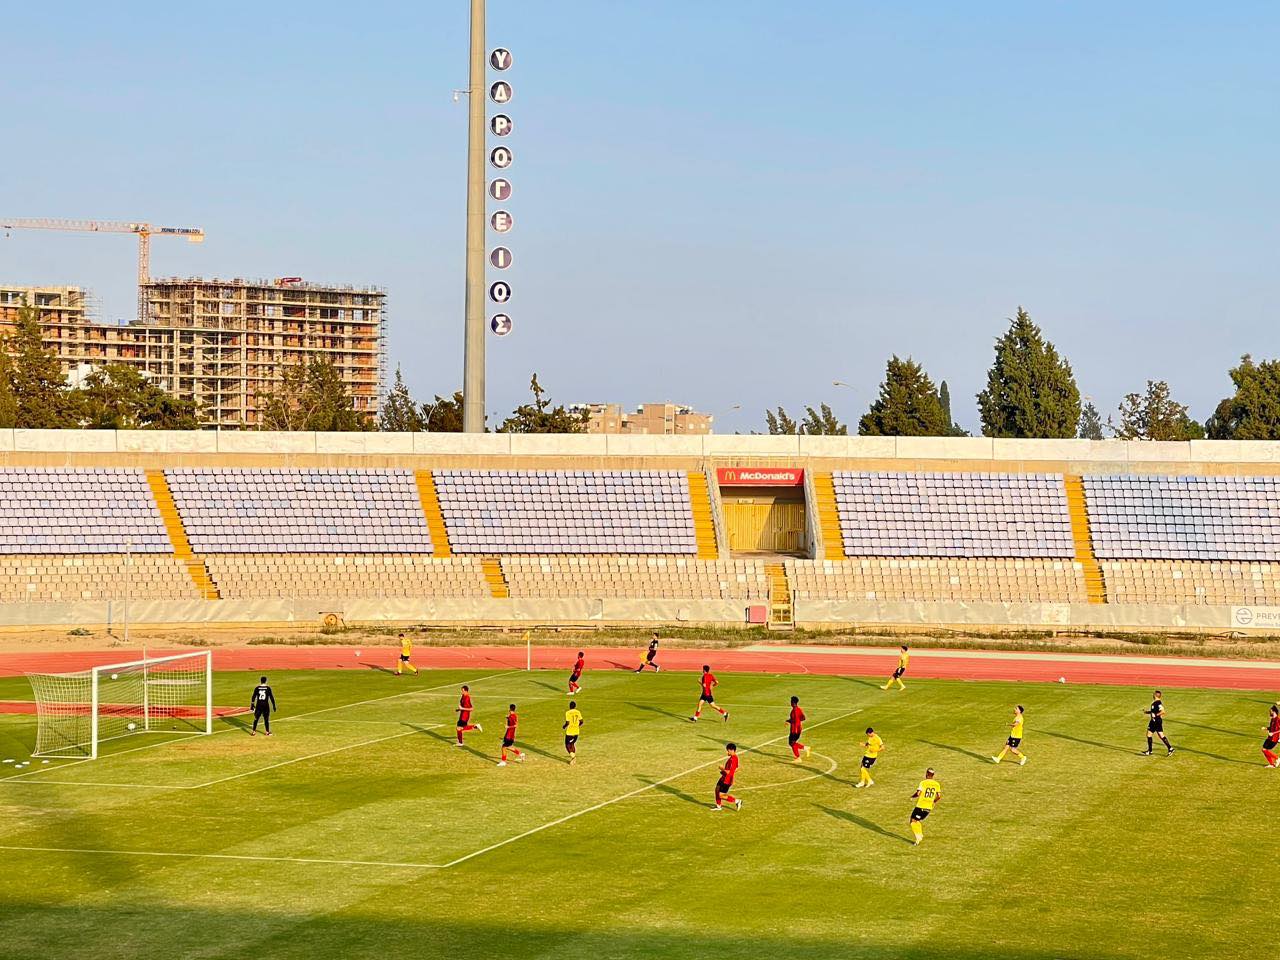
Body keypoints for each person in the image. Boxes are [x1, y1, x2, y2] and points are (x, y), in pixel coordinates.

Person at [908, 768, 942, 845]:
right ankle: (920, 834)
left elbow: (918, 793)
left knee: (912, 821)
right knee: (917, 820)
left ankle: (918, 837)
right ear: (933, 775)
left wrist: (912, 797)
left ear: (926, 774)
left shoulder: (923, 783)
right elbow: (939, 796)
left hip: (921, 805)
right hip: (929, 807)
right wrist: (934, 801)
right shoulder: (937, 784)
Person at [1141, 690, 1173, 756]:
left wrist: (1155, 715)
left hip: (1155, 721)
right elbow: (1154, 711)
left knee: (1149, 734)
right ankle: (1170, 748)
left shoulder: (1158, 703)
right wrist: (1147, 712)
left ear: (1155, 695)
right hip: (1156, 721)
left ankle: (1150, 751)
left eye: (1153, 694)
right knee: (1161, 735)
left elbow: (1163, 711)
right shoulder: (1155, 703)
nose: (1152, 695)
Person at [712, 742, 742, 811]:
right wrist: (724, 772)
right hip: (723, 777)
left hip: (727, 780)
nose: (727, 752)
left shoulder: (733, 759)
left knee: (721, 795)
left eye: (728, 751)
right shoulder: (733, 758)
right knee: (717, 789)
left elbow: (729, 773)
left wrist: (722, 768)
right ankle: (718, 806)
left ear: (732, 750)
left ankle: (737, 801)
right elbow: (737, 769)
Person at [787, 695, 810, 763]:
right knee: (791, 743)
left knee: (792, 743)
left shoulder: (795, 711)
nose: (790, 703)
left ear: (793, 702)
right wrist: (790, 721)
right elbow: (803, 718)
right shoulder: (798, 709)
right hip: (797, 729)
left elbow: (795, 720)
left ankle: (798, 758)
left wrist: (790, 722)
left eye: (791, 702)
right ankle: (805, 748)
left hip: (795, 730)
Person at [1262, 704, 1280, 769]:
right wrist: (1266, 728)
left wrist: (1273, 733)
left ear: (1274, 711)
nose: (1270, 712)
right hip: (1269, 737)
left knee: (1264, 750)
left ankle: (1277, 758)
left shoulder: (1278, 720)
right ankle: (1272, 764)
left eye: (1271, 711)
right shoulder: (1272, 719)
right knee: (1264, 750)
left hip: (1274, 739)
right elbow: (1272, 728)